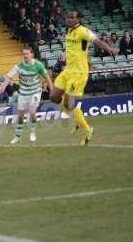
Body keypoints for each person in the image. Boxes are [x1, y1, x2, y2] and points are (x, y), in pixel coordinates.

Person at [50, 10, 118, 145]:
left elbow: (96, 40)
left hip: (78, 73)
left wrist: (109, 49)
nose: (69, 19)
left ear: (78, 19)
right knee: (54, 97)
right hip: (68, 70)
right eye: (68, 17)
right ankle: (76, 118)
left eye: (72, 17)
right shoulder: (68, 31)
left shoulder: (83, 31)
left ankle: (87, 129)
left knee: (69, 103)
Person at [0, 46, 53, 144]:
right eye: (23, 54)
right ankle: (18, 136)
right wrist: (3, 86)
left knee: (32, 111)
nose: (25, 56)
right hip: (23, 93)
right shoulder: (19, 66)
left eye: (27, 53)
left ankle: (32, 131)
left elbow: (47, 78)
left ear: (31, 54)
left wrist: (52, 90)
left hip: (35, 91)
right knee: (20, 114)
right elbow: (8, 76)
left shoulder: (38, 65)